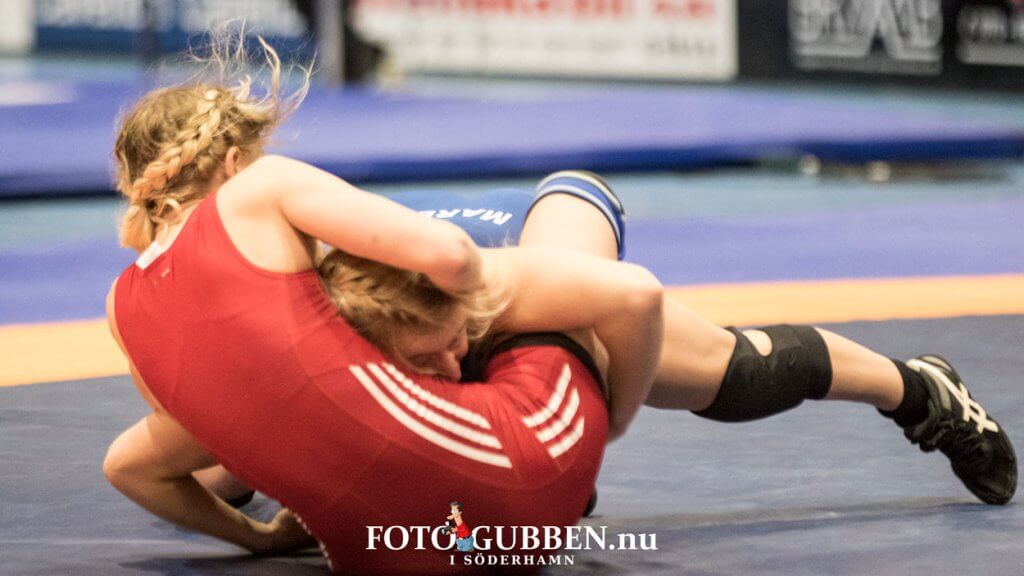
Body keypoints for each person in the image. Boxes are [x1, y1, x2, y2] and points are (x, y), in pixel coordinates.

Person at [101, 32, 663, 574]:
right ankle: (582, 194)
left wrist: (262, 538)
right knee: (554, 257)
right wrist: (484, 305)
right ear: (232, 164)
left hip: (380, 552)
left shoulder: (120, 308)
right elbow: (453, 258)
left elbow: (131, 466)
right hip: (520, 500)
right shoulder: (257, 187)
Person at [381, 170, 1017, 507]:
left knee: (733, 372)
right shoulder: (338, 325)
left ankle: (922, 390)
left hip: (553, 224)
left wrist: (606, 423)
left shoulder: (512, 292)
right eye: (428, 356)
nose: (450, 362)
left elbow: (636, 296)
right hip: (428, 267)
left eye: (451, 343)